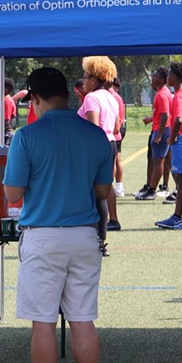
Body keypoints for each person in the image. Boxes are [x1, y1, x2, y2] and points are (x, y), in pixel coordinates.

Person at [2, 67, 112, 363]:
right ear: (68, 93)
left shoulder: (26, 136)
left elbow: (13, 194)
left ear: (33, 97)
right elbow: (101, 191)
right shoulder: (95, 135)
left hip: (43, 235)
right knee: (83, 320)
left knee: (44, 323)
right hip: (84, 235)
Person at [78, 56, 122, 232]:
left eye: (86, 76)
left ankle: (93, 233)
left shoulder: (91, 98)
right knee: (103, 191)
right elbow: (117, 127)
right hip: (110, 144)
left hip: (94, 147)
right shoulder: (112, 97)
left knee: (92, 193)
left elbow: (93, 128)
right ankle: (101, 239)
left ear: (94, 79)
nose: (83, 80)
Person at [155, 61, 182, 230]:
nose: (167, 78)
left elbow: (179, 119)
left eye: (169, 75)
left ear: (174, 77)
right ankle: (177, 217)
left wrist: (172, 138)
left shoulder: (180, 95)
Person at [134, 66, 172, 200]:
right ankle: (152, 188)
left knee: (158, 162)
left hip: (162, 130)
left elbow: (165, 115)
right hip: (161, 129)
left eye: (155, 76)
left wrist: (160, 135)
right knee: (162, 161)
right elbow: (161, 114)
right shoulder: (162, 93)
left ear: (162, 80)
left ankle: (152, 190)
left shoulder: (162, 94)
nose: (153, 78)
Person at [110, 76, 127, 197]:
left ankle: (109, 187)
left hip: (113, 129)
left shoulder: (110, 95)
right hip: (120, 127)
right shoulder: (118, 97)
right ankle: (119, 187)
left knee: (112, 161)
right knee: (117, 159)